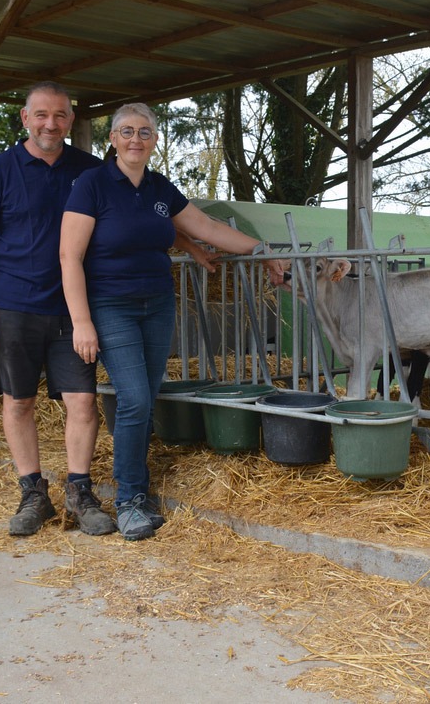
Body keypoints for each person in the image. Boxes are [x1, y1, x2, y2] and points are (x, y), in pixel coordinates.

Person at [0, 83, 210, 538]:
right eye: (41, 115)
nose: (50, 124)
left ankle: (79, 492)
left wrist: (191, 246)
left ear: (71, 121)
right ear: (25, 118)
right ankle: (33, 493)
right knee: (19, 401)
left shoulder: (90, 170)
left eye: (59, 116)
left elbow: (132, 217)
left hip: (75, 307)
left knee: (82, 402)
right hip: (14, 300)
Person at [60, 102, 287, 541]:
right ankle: (129, 501)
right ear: (112, 139)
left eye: (145, 132)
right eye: (126, 131)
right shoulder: (92, 185)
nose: (135, 140)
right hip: (110, 305)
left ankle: (135, 489)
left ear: (155, 140)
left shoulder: (160, 188)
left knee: (146, 397)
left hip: (158, 303)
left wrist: (261, 251)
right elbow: (69, 255)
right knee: (135, 400)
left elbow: (205, 226)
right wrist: (81, 322)